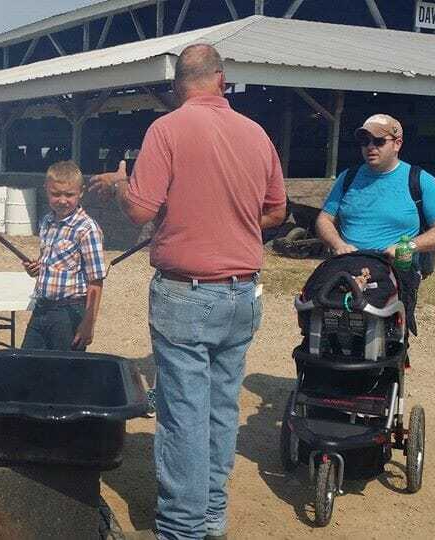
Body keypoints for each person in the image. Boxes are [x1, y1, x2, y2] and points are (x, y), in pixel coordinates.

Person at [91, 44, 286, 540]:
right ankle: (211, 518)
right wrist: (231, 225)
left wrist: (119, 183)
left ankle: (181, 529)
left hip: (186, 293)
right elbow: (276, 212)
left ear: (179, 86)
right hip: (242, 293)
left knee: (182, 415)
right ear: (222, 80)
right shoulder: (256, 134)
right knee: (221, 408)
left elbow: (138, 210)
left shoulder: (168, 129)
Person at [315, 114, 435, 334]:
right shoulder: (348, 177)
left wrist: (408, 246)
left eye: (379, 141)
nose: (370, 147)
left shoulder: (420, 180)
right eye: (365, 142)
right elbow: (324, 219)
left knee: (388, 337)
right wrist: (338, 244)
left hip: (394, 272)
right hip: (348, 265)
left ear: (397, 144)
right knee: (323, 318)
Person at [21, 161, 107, 351]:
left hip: (69, 312)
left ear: (81, 192)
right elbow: (51, 262)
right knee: (27, 364)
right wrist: (35, 268)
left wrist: (88, 323)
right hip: (42, 307)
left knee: (64, 372)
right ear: (46, 189)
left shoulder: (86, 229)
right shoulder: (47, 221)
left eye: (69, 195)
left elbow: (96, 280)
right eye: (56, 194)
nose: (62, 200)